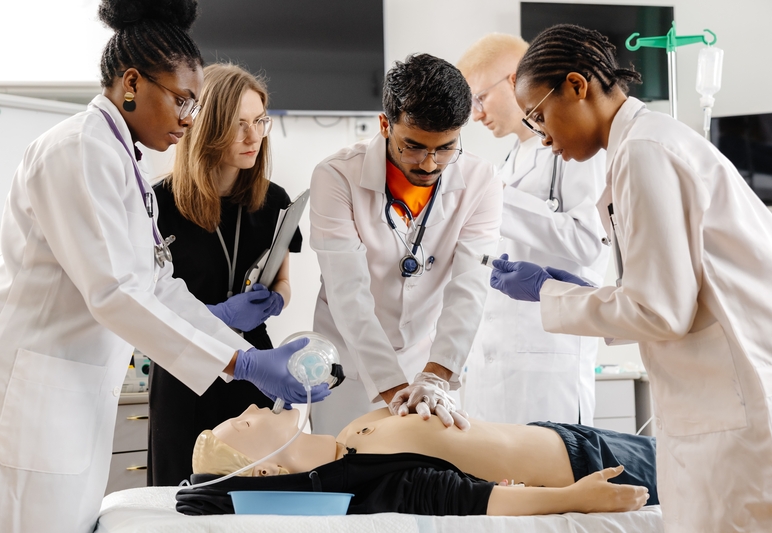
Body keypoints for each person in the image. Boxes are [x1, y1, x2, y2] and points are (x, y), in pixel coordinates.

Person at [0, 2, 329, 532]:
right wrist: (242, 364)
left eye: (195, 106)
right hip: (42, 403)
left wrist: (246, 353)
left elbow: (157, 285)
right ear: (131, 82)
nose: (188, 119)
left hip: (71, 400)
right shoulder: (80, 149)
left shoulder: (118, 156)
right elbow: (117, 292)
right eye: (182, 101)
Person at [490, 24, 772, 532]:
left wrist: (549, 291)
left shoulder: (645, 151)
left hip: (739, 399)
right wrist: (587, 293)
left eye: (540, 117)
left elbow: (662, 311)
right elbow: (675, 294)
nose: (543, 138)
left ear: (576, 85)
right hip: (734, 390)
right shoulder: (648, 143)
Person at [309, 54, 503, 435]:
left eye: (446, 148)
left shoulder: (482, 181)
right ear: (385, 125)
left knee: (431, 483)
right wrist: (396, 390)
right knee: (346, 471)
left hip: (429, 368)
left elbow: (469, 288)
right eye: (413, 147)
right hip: (349, 366)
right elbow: (348, 292)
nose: (430, 164)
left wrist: (434, 379)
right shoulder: (336, 176)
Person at [147, 63, 304, 486]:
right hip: (185, 369)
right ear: (207, 126)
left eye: (259, 122)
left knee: (259, 495)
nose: (253, 137)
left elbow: (284, 283)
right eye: (238, 126)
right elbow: (144, 300)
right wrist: (220, 314)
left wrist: (276, 301)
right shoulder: (157, 204)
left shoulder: (274, 201)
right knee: (181, 495)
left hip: (257, 369)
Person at [456, 33, 608, 425]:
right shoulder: (509, 160)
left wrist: (495, 194)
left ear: (512, 81)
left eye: (479, 98)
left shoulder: (577, 149)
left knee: (548, 480)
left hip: (547, 357)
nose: (476, 115)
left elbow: (588, 243)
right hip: (494, 359)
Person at [178, 404, 656, 516]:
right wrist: (576, 498)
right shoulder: (369, 481)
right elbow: (480, 501)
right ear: (264, 471)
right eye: (242, 424)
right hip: (597, 464)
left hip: (568, 433)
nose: (252, 408)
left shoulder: (348, 437)